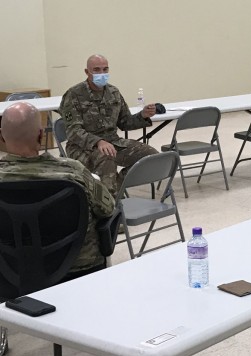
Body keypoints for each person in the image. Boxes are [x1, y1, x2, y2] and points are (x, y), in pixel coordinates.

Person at [0, 102, 115, 278]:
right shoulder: (73, 171)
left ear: (2, 137)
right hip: (77, 270)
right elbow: (107, 208)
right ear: (41, 135)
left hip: (9, 272)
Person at [60, 54, 158, 197]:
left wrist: (143, 115)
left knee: (151, 156)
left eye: (105, 70)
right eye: (97, 70)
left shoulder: (113, 92)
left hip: (113, 142)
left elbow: (125, 122)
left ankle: (117, 186)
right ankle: (109, 204)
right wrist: (98, 141)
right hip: (82, 147)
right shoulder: (74, 95)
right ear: (87, 72)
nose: (102, 74)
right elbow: (73, 131)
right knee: (107, 158)